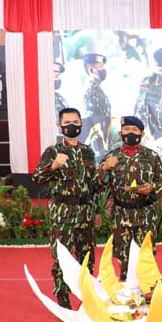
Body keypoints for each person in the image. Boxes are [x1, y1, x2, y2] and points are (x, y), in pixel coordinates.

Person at [32, 107, 101, 309]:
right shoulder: (52, 151)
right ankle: (63, 302)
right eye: (67, 122)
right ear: (59, 125)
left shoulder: (88, 151)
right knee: (62, 258)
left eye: (75, 122)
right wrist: (53, 166)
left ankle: (87, 301)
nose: (72, 126)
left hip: (85, 211)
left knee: (87, 258)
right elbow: (37, 178)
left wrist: (96, 210)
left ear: (81, 124)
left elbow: (93, 185)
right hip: (63, 211)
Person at [95, 116, 162, 279]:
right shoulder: (111, 156)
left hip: (145, 214)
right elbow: (96, 185)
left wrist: (153, 187)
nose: (130, 133)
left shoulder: (152, 156)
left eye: (135, 130)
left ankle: (146, 295)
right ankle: (127, 295)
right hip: (121, 215)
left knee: (146, 258)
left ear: (141, 133)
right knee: (123, 258)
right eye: (127, 129)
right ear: (121, 133)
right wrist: (105, 168)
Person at [82, 53, 112, 158]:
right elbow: (95, 124)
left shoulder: (98, 90)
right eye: (100, 67)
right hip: (98, 145)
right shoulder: (91, 92)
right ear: (91, 70)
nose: (104, 70)